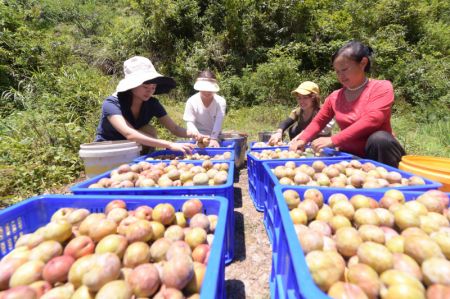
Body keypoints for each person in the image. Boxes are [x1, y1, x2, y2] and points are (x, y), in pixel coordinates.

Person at [289, 41, 406, 167]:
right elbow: (318, 121)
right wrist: (302, 139)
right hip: (350, 157)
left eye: (344, 69)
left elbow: (373, 119)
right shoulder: (335, 96)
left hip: (380, 156)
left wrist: (334, 139)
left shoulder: (381, 87)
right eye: (337, 71)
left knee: (379, 139)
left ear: (363, 63)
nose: (341, 75)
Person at [95, 56, 203, 154]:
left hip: (133, 147)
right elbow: (130, 133)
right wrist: (169, 144)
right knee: (148, 131)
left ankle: (144, 158)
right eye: (145, 87)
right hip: (108, 148)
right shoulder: (111, 103)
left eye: (153, 87)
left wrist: (194, 134)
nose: (150, 91)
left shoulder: (152, 103)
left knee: (149, 129)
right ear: (132, 85)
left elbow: (174, 128)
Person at [268, 81, 333, 144]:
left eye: (305, 98)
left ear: (313, 98)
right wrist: (279, 133)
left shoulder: (322, 112)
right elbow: (286, 122)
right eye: (299, 98)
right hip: (302, 145)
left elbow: (322, 129)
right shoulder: (298, 111)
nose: (301, 101)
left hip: (320, 145)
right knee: (293, 129)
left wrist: (302, 136)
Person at [183, 70, 226, 148]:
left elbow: (219, 120)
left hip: (215, 135)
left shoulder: (220, 101)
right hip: (197, 137)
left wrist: (213, 138)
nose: (207, 92)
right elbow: (189, 122)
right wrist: (197, 135)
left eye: (209, 89)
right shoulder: (191, 101)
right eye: (204, 89)